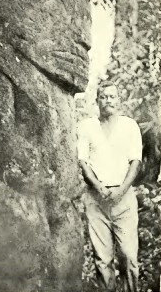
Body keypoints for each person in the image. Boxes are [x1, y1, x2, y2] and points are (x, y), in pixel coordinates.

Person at [77, 81, 142, 292]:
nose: (108, 101)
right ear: (97, 101)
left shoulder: (129, 126)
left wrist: (121, 189)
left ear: (119, 100)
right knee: (102, 259)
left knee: (129, 256)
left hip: (124, 199)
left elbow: (136, 162)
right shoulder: (87, 127)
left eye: (112, 97)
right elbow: (83, 162)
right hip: (97, 200)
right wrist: (99, 188)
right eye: (104, 97)